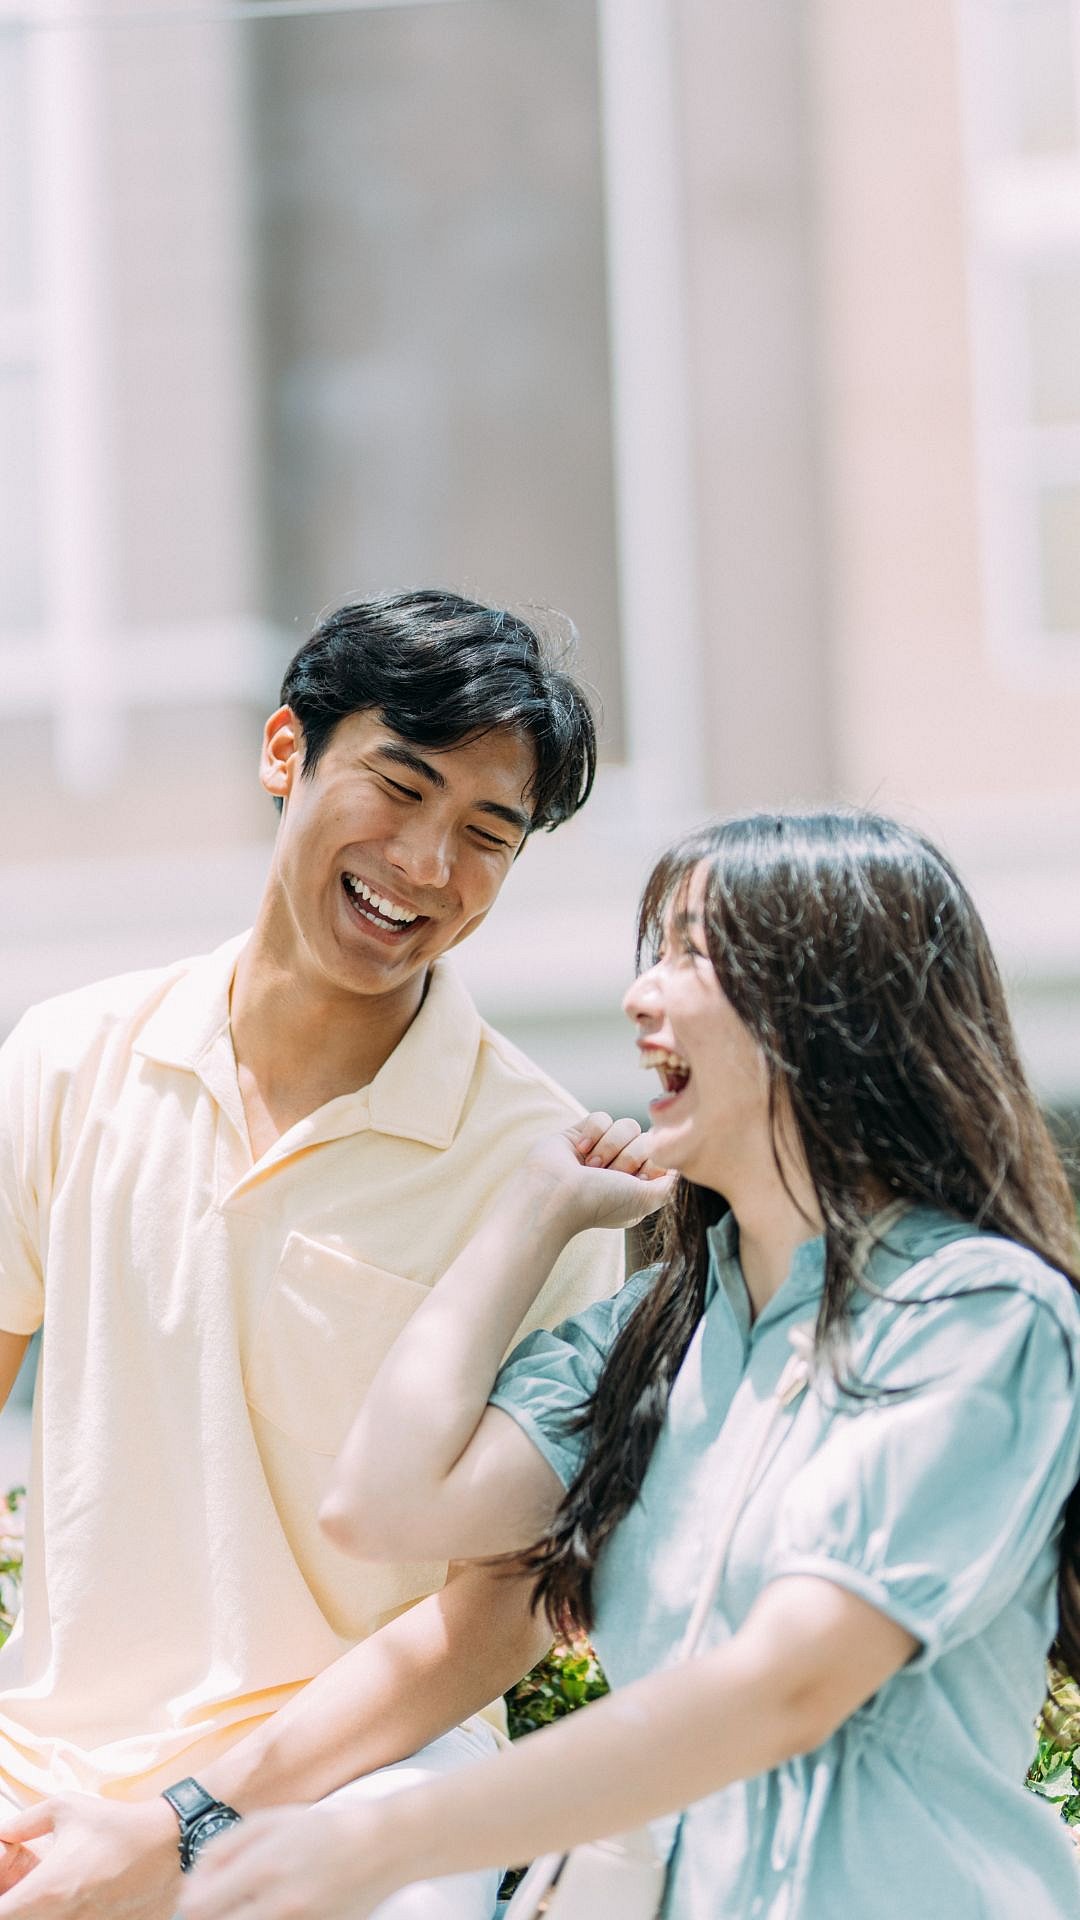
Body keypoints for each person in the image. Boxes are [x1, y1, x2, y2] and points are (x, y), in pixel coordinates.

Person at [180, 809, 1080, 1919]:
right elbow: (384, 1506)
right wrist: (532, 1209)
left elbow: (788, 1686)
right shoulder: (654, 1336)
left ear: (837, 1004)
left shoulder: (979, 1316)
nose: (640, 995)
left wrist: (387, 1840)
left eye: (693, 955)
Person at [0, 590, 624, 1920]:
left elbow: (505, 1607)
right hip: (45, 1766)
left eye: (487, 836)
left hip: (368, 1787)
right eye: (400, 788)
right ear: (287, 750)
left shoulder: (546, 1172)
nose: (427, 865)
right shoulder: (65, 1060)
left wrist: (185, 1821)